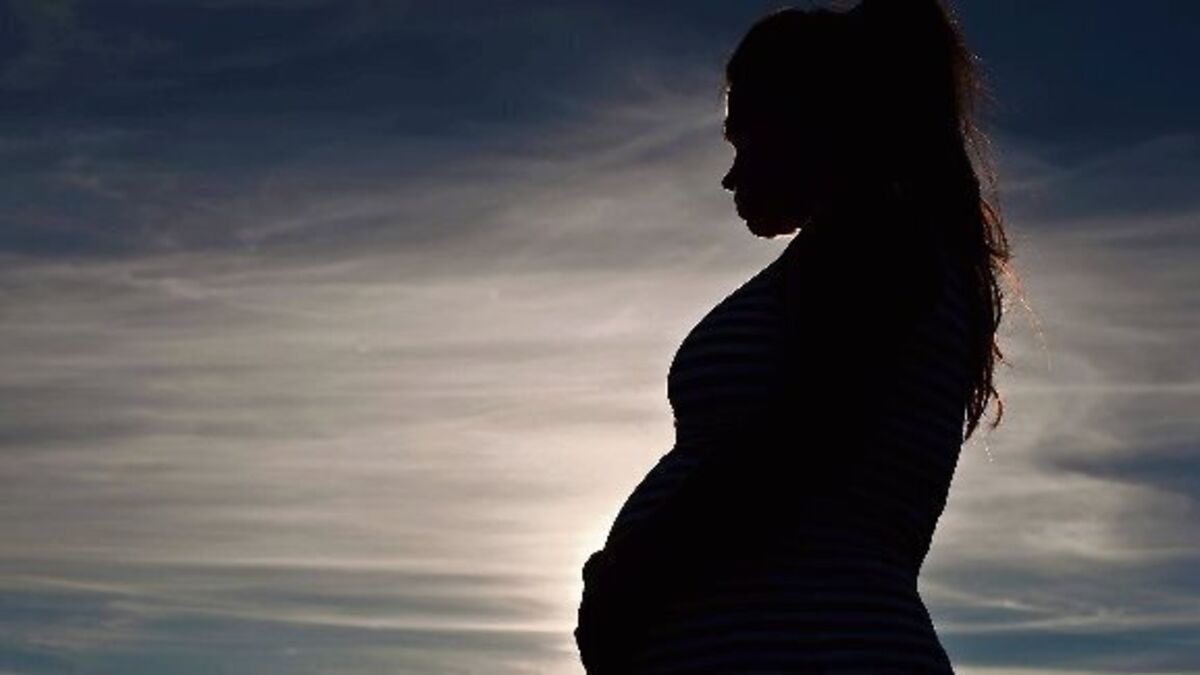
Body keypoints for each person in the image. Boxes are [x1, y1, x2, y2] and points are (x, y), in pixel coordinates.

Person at [575, 0, 1016, 672]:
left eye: (744, 138)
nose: (732, 174)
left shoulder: (871, 242)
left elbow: (800, 444)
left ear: (813, 122)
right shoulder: (882, 248)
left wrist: (629, 578)